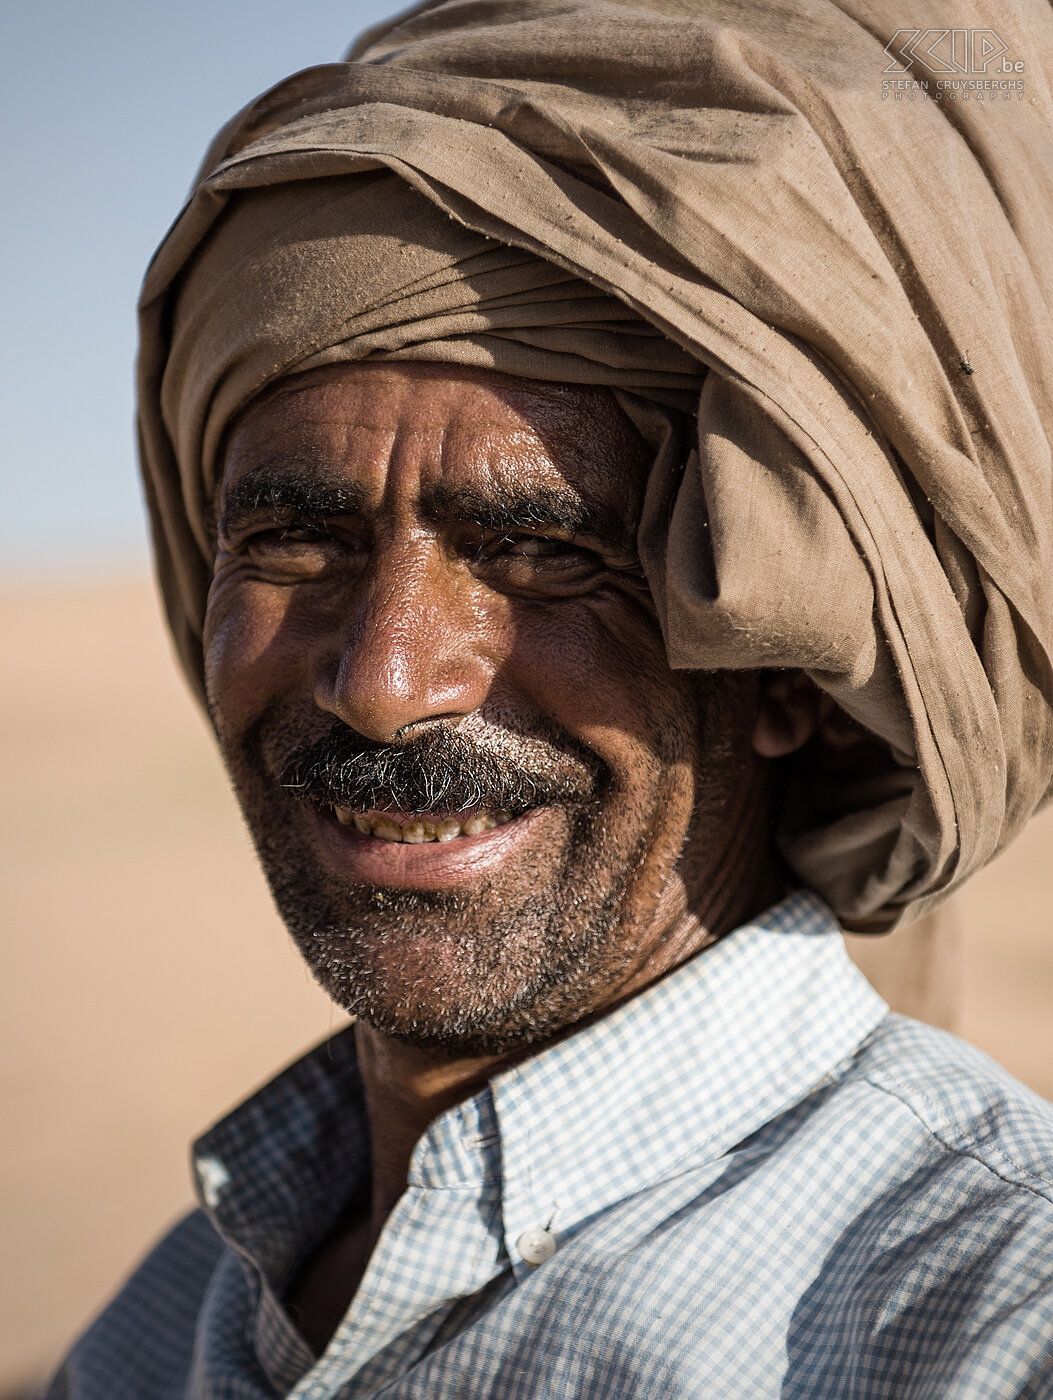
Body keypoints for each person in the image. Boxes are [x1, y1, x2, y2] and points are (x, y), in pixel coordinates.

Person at [49, 0, 1053, 1394]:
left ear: (788, 677)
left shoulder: (991, 1326)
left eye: (543, 554)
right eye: (296, 543)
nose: (384, 685)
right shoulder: (170, 1321)